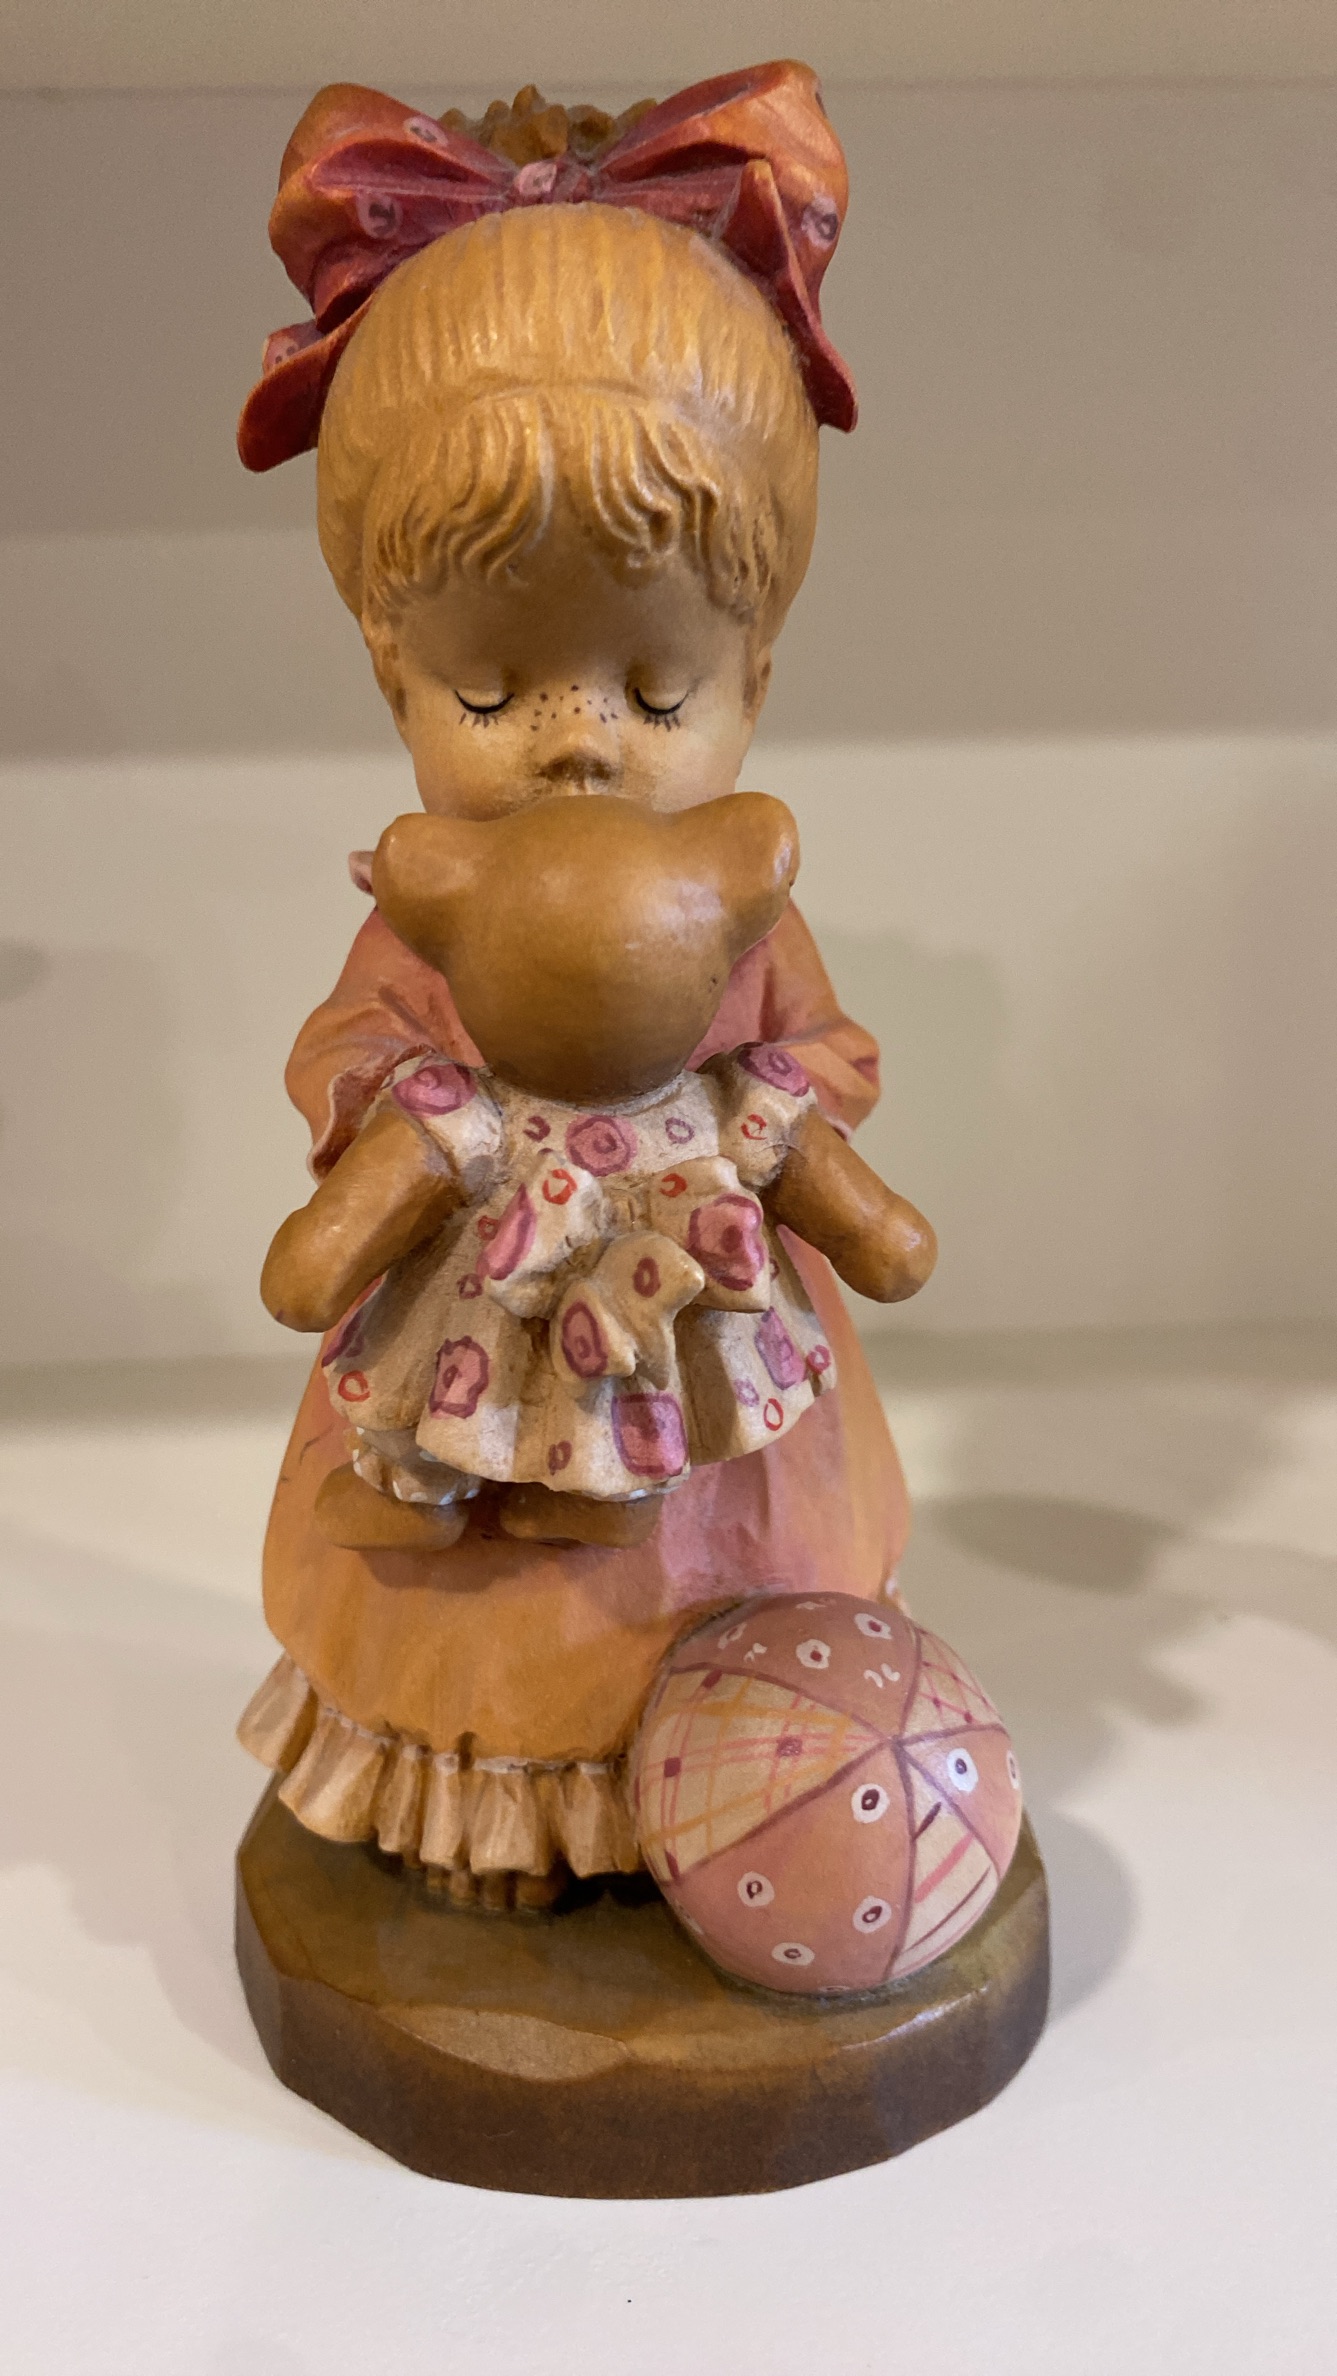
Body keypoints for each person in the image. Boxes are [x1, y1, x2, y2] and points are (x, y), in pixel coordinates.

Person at [235, 65, 926, 1908]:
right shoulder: (427, 907)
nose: (575, 744)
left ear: (754, 678)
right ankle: (503, 1806)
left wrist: (767, 1128)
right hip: (472, 1339)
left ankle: (749, 1777)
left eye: (653, 689)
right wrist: (418, 1128)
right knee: (482, 1605)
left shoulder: (739, 902)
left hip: (708, 1340)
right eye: (487, 693)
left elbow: (820, 1051)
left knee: (724, 1571)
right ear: (391, 675)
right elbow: (356, 1045)